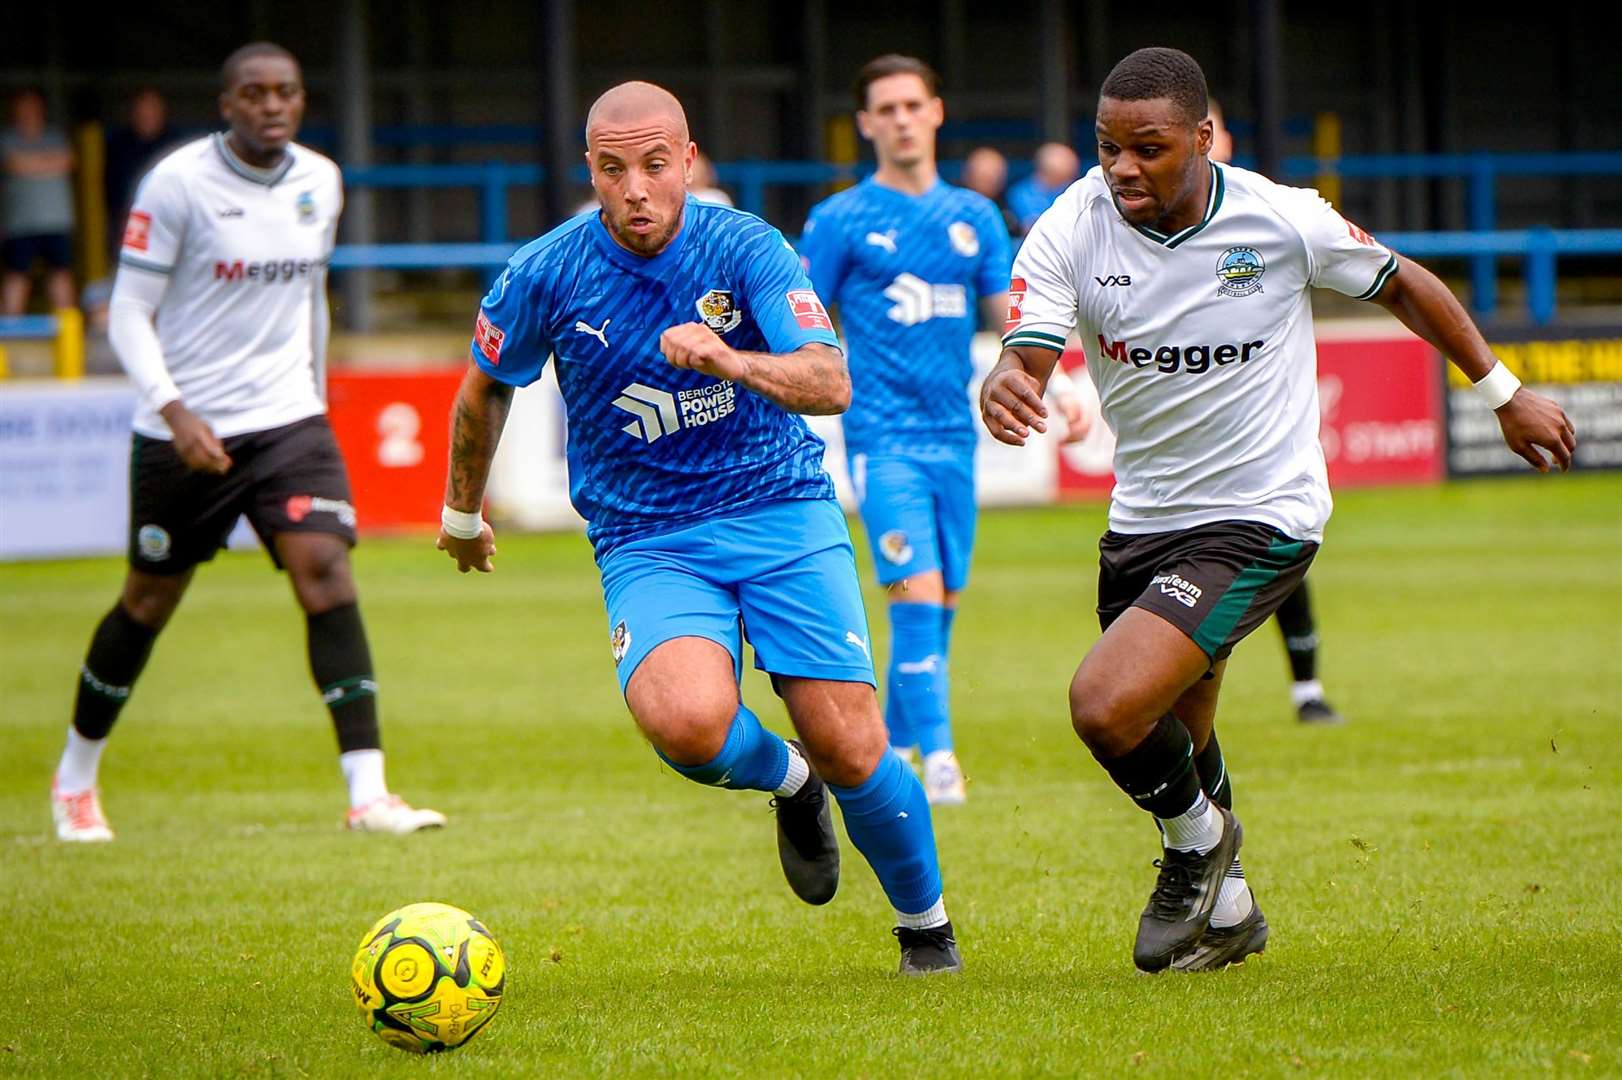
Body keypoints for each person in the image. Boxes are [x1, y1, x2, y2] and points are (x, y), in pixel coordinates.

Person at [983, 46, 1573, 974]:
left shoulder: (1281, 219)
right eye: (1108, 148)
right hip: (1144, 517)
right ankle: (1235, 913)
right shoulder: (1070, 224)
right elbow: (1029, 346)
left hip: (1263, 513)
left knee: (1105, 706)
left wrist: (1502, 393)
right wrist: (1007, 378)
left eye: (1149, 147)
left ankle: (1194, 849)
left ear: (1204, 139)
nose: (1124, 168)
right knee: (1182, 729)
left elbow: (1407, 283)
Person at [438, 81, 960, 975]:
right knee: (684, 725)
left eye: (652, 164)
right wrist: (460, 513)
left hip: (781, 509)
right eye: (613, 169)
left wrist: (728, 356)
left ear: (687, 160)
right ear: (591, 173)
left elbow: (830, 383)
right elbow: (486, 383)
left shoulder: (747, 246)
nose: (635, 188)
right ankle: (790, 783)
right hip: (649, 536)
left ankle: (926, 930)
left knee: (850, 739)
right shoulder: (547, 270)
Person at [50, 42, 444, 842]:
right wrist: (173, 409)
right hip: (182, 428)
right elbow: (126, 311)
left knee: (325, 571)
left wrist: (317, 391)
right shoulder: (177, 185)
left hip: (289, 419)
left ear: (301, 102)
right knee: (147, 601)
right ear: (227, 104)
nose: (272, 105)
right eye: (255, 93)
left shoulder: (320, 181)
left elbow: (310, 298)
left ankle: (369, 793)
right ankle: (75, 777)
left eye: (287, 93)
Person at [797, 55, 1012, 806]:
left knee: (942, 609)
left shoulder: (976, 218)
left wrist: (1048, 380)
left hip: (955, 439)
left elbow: (1009, 327)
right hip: (881, 440)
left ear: (936, 112)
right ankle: (943, 763)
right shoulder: (840, 221)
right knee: (914, 604)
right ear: (865, 124)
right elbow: (799, 321)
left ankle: (881, 752)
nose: (899, 119)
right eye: (884, 109)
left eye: (911, 105)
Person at [1210, 96, 1343, 724]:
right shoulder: (1130, 235)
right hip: (1182, 476)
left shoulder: (1271, 220)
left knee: (1286, 571)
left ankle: (1307, 690)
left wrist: (1498, 389)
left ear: (1220, 139)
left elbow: (1390, 275)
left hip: (1266, 471)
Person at [1, 88, 76, 315]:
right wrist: (49, 163)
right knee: (17, 274)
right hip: (20, 223)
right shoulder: (6, 138)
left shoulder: (55, 136)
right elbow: (14, 164)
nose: (29, 112)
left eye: (33, 106)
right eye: (24, 107)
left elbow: (68, 162)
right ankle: (9, 332)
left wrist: (29, 165)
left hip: (57, 221)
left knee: (61, 273)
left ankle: (69, 329)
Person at [105, 88, 176, 255]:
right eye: (142, 110)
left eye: (152, 109)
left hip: (170, 221)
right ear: (133, 113)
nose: (147, 115)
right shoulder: (119, 145)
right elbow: (110, 188)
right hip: (132, 221)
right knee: (137, 267)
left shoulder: (175, 144)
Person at [1005, 141, 1079, 235]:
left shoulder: (1072, 190)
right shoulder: (1021, 193)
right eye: (1064, 176)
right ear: (1049, 172)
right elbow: (1033, 228)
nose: (1071, 179)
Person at [960, 145, 1019, 236]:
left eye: (996, 176)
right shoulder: (951, 207)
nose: (991, 181)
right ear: (967, 175)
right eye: (983, 177)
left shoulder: (1009, 208)